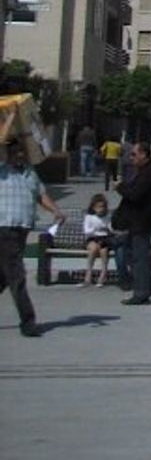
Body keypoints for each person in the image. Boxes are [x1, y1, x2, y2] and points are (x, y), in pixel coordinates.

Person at [2, 135, 64, 336]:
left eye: (22, 151)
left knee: (4, 276)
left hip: (22, 229)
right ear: (7, 153)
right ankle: (28, 322)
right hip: (4, 228)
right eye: (15, 152)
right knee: (17, 275)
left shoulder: (30, 172)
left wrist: (55, 210)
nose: (20, 155)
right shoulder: (2, 171)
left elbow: (40, 195)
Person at [114, 141, 151, 304]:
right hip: (137, 221)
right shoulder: (144, 172)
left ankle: (141, 292)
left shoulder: (150, 173)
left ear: (144, 154)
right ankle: (148, 285)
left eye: (134, 154)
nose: (131, 158)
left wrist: (120, 187)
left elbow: (136, 195)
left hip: (143, 221)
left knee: (139, 257)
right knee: (131, 253)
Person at [81, 193, 115, 286]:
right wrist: (96, 228)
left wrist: (108, 228)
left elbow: (111, 229)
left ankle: (103, 273)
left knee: (104, 251)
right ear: (93, 207)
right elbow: (87, 231)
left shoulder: (107, 217)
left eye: (103, 207)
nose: (101, 209)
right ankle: (88, 273)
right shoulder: (89, 217)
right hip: (93, 238)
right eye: (98, 207)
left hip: (104, 238)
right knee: (93, 249)